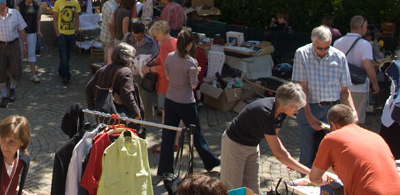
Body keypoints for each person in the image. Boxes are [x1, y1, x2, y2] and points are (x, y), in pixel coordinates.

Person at [220, 82, 312, 192]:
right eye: (294, 107)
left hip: (252, 145)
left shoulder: (281, 112)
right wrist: (310, 172)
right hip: (235, 145)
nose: (297, 111)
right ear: (285, 103)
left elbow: (275, 137)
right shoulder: (265, 111)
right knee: (232, 187)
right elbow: (278, 154)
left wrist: (289, 159)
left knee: (252, 188)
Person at [158, 30, 220, 176]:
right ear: (190, 44)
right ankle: (209, 161)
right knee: (196, 133)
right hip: (185, 101)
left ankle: (164, 168)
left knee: (168, 134)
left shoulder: (170, 57)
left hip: (171, 98)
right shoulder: (191, 62)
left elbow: (167, 76)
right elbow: (194, 85)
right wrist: (196, 72)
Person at [292, 25, 356, 167]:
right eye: (319, 48)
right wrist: (308, 115)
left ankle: (330, 184)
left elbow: (344, 91)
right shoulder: (302, 53)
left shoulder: (339, 57)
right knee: (307, 151)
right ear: (312, 42)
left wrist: (352, 112)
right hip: (309, 105)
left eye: (326, 48)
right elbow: (303, 88)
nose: (323, 51)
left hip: (332, 108)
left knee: (333, 150)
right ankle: (305, 182)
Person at [308, 104, 400, 195]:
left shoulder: (332, 138)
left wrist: (324, 179)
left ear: (334, 125)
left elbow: (314, 178)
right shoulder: (375, 136)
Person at [332, 16, 379, 124]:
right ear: (361, 27)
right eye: (366, 27)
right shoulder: (365, 45)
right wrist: (375, 84)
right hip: (358, 87)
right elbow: (368, 67)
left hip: (340, 87)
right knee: (355, 120)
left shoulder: (337, 42)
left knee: (340, 120)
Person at [0, 0, 28, 108]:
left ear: (4, 4)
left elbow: (22, 29)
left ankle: (12, 88)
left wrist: (24, 44)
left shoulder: (15, 14)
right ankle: (4, 95)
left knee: (16, 68)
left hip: (13, 44)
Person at [84, 43, 144, 119]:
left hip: (102, 116)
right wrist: (136, 113)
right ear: (127, 58)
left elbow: (88, 89)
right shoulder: (126, 72)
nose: (133, 60)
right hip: (119, 117)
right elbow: (127, 95)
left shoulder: (102, 70)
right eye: (132, 57)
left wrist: (92, 107)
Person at [53, 0, 81, 86]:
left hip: (72, 33)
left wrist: (76, 30)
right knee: (63, 54)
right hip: (62, 34)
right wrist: (57, 32)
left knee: (67, 55)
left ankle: (61, 69)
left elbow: (77, 17)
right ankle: (66, 75)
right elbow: (55, 18)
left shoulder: (75, 3)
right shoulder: (58, 3)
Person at [17, 0, 41, 83]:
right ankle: (17, 73)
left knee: (31, 53)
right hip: (20, 32)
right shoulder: (19, 6)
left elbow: (38, 19)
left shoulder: (36, 6)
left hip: (31, 32)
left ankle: (33, 74)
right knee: (20, 53)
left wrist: (38, 30)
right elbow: (17, 21)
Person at [100, 0, 123, 64]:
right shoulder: (114, 9)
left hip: (104, 34)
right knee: (108, 60)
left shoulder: (107, 3)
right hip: (109, 38)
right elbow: (111, 25)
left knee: (106, 58)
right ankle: (105, 75)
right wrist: (114, 38)